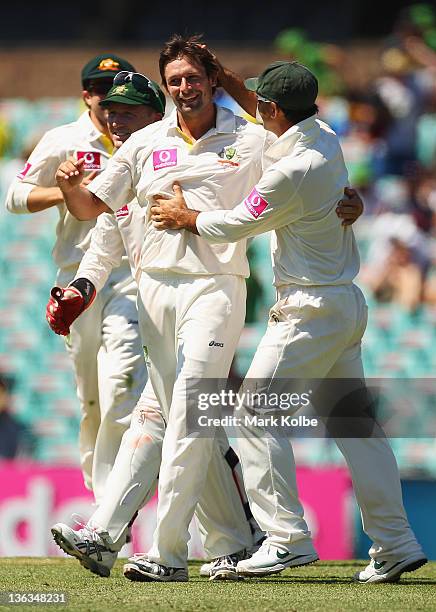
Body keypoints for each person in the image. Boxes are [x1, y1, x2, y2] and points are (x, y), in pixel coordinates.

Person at [54, 35, 364, 583]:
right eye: (174, 80)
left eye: (192, 78)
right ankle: (210, 539)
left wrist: (348, 197)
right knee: (167, 416)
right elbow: (93, 209)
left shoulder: (250, 137)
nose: (183, 88)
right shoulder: (146, 141)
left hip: (216, 289)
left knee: (190, 420)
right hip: (154, 294)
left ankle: (169, 553)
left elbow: (310, 158)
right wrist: (70, 191)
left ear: (211, 80)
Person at [151, 60, 427, 584]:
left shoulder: (290, 171)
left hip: (307, 309)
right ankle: (395, 542)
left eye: (263, 103)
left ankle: (285, 540)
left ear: (275, 110)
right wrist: (223, 73)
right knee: (356, 427)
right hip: (343, 303)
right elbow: (263, 109)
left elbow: (238, 223)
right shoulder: (321, 132)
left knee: (254, 414)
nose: (256, 107)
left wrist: (186, 217)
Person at [48, 73, 261, 580]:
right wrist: (80, 290)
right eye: (110, 112)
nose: (114, 121)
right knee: (171, 417)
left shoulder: (184, 151)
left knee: (180, 413)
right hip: (156, 306)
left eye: (127, 112)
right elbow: (101, 244)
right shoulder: (128, 173)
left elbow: (282, 153)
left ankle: (137, 541)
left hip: (209, 294)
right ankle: (235, 539)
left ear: (153, 115)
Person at [5, 54, 148, 505]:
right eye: (103, 93)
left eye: (121, 94)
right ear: (87, 95)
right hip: (77, 277)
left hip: (130, 274)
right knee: (92, 397)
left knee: (121, 379)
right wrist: (68, 193)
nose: (112, 104)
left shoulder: (144, 139)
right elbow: (15, 196)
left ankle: (111, 508)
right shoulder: (65, 139)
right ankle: (98, 485)